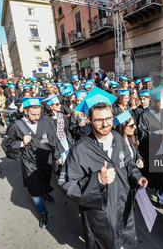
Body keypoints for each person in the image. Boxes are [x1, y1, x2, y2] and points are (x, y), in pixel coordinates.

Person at [60, 87, 148, 249]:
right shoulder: (80, 149)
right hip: (101, 213)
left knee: (125, 241)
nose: (105, 124)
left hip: (123, 203)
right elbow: (67, 183)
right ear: (89, 119)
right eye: (98, 120)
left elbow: (128, 162)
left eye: (109, 118)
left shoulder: (117, 137)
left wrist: (137, 177)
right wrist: (97, 180)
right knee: (105, 243)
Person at [1, 97, 63, 228]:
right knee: (34, 189)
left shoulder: (45, 122)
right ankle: (43, 212)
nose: (37, 117)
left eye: (39, 114)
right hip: (29, 162)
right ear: (26, 111)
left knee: (45, 179)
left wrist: (57, 155)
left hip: (45, 159)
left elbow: (53, 139)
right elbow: (6, 144)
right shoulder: (16, 126)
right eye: (33, 114)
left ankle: (44, 191)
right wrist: (21, 143)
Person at [137, 86, 163, 212]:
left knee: (161, 177)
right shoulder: (144, 116)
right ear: (153, 101)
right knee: (147, 178)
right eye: (161, 103)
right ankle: (139, 199)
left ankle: (161, 200)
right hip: (150, 153)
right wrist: (160, 137)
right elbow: (142, 138)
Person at [42, 95, 73, 168]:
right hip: (54, 142)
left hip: (64, 139)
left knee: (67, 158)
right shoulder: (46, 119)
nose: (60, 105)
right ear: (51, 106)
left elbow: (66, 129)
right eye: (57, 104)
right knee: (60, 159)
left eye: (60, 103)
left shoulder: (63, 116)